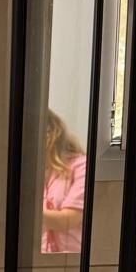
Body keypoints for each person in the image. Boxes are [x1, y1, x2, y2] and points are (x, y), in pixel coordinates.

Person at [41, 109, 86, 254]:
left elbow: (69, 220)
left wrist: (24, 212)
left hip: (70, 260)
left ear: (50, 135)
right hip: (39, 259)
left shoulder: (81, 166)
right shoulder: (30, 170)